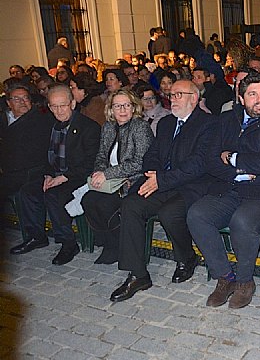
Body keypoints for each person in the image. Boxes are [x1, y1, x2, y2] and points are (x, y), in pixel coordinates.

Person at [186, 73, 260, 309]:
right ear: (241, 98)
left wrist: (232, 157)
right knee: (197, 215)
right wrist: (237, 172)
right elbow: (211, 160)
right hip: (230, 187)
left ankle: (245, 281)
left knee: (242, 222)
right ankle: (225, 277)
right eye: (253, 94)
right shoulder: (226, 120)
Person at [110, 79, 215, 302]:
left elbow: (198, 164)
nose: (173, 100)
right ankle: (138, 274)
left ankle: (187, 257)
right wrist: (151, 174)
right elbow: (152, 154)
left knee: (170, 213)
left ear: (194, 98)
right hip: (162, 181)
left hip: (192, 186)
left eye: (179, 95)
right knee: (131, 204)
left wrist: (161, 180)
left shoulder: (208, 124)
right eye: (171, 95)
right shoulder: (167, 123)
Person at [11, 85, 100, 265]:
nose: (59, 111)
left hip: (77, 177)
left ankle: (68, 243)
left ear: (72, 104)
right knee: (27, 192)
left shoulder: (89, 127)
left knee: (53, 195)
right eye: (54, 106)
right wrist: (47, 175)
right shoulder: (50, 126)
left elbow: (91, 162)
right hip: (55, 175)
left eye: (63, 105)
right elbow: (45, 156)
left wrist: (64, 177)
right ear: (49, 107)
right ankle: (36, 236)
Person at [81, 89, 154, 264]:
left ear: (134, 107)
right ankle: (109, 242)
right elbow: (100, 155)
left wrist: (107, 174)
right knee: (88, 201)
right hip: (111, 180)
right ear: (111, 109)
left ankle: (118, 245)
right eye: (117, 106)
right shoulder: (108, 126)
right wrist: (99, 172)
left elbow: (140, 163)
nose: (122, 110)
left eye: (126, 105)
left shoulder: (140, 127)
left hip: (134, 180)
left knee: (106, 204)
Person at [0, 84, 54, 206]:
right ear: (9, 103)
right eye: (17, 99)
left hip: (30, 172)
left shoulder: (41, 120)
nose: (22, 102)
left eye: (25, 98)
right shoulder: (3, 119)